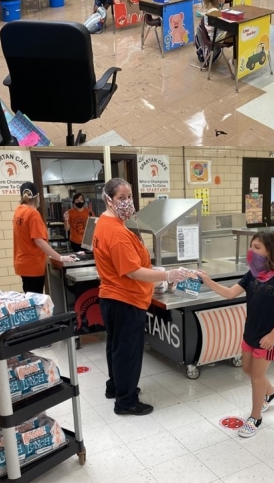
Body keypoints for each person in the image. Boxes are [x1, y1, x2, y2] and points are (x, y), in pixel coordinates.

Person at [93, 178, 193, 416]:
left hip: (111, 297)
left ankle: (116, 387)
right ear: (108, 200)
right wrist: (167, 274)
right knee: (128, 352)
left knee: (116, 348)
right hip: (125, 300)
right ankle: (126, 401)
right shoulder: (116, 232)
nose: (127, 202)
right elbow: (132, 271)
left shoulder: (104, 223)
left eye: (129, 197)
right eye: (121, 198)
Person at [198, 230, 274, 437]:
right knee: (248, 370)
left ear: (271, 251)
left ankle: (255, 416)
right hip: (250, 333)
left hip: (267, 338)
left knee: (256, 377)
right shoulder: (252, 275)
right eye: (251, 246)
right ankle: (271, 392)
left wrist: (273, 335)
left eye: (257, 248)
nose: (251, 251)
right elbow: (229, 293)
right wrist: (207, 280)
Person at [13, 182, 71, 293]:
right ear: (37, 196)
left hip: (22, 263)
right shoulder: (32, 214)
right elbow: (39, 240)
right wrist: (60, 257)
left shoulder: (18, 211)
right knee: (36, 300)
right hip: (33, 265)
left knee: (30, 297)